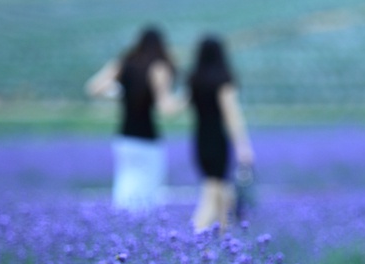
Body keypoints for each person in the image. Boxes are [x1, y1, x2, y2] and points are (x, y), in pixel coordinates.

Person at [85, 26, 179, 212]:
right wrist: (187, 99)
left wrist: (120, 93)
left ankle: (121, 222)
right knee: (148, 188)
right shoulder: (159, 67)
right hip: (147, 138)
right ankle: (140, 228)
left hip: (124, 137)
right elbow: (164, 107)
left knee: (124, 183)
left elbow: (93, 87)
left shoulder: (125, 62)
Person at [187, 35, 255, 233]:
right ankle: (195, 237)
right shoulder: (223, 80)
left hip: (200, 140)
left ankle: (222, 241)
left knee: (224, 195)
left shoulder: (194, 80)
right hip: (217, 141)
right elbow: (232, 116)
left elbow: (178, 105)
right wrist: (243, 146)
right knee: (213, 194)